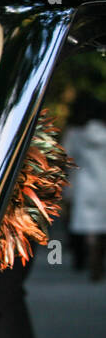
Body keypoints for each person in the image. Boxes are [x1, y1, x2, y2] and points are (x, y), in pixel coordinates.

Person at [65, 93, 106, 281]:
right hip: (103, 183)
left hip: (83, 183)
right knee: (103, 224)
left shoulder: (75, 133)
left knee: (89, 226)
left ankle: (88, 252)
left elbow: (65, 158)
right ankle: (99, 256)